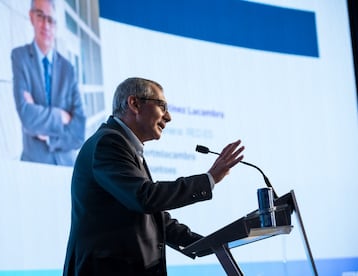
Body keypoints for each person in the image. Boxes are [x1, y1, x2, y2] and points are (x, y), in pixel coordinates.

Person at [63, 77, 245, 275]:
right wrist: (209, 179)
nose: (168, 117)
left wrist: (203, 243)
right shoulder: (109, 143)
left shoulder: (124, 145)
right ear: (134, 104)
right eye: (162, 106)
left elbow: (152, 215)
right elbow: (145, 197)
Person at [11, 0, 85, 166]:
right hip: (34, 165)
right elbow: (26, 116)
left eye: (50, 19)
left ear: (56, 25)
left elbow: (79, 132)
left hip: (67, 167)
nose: (45, 24)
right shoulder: (20, 57)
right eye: (40, 16)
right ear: (31, 17)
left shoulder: (68, 69)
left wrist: (50, 137)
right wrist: (62, 116)